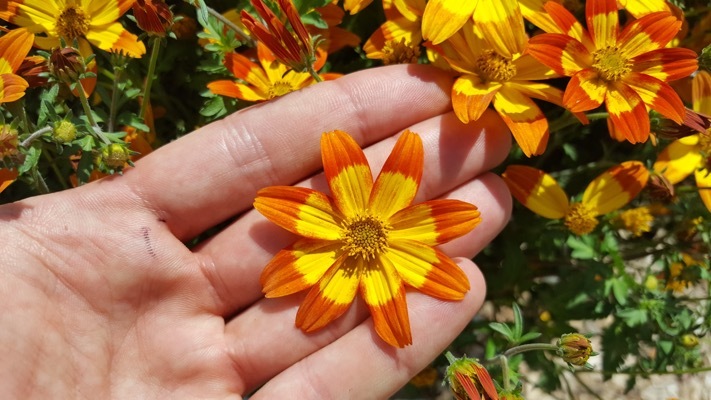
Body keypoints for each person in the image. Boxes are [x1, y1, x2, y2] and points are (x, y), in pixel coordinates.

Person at [0, 64, 512, 398]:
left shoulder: (402, 226)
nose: (362, 240)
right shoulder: (323, 227)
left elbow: (442, 224)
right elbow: (291, 200)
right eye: (363, 233)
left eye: (366, 237)